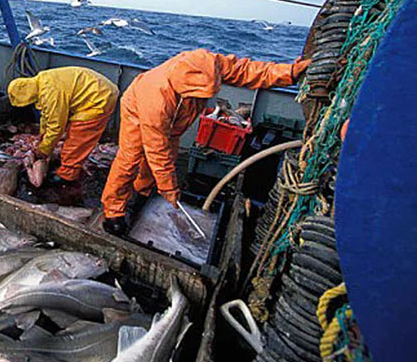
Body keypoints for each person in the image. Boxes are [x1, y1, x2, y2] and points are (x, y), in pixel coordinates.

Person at [100, 49, 311, 236]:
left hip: (176, 119)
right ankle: (113, 210)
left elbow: (247, 70)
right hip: (138, 110)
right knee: (131, 158)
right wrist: (169, 187)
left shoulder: (211, 64)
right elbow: (157, 149)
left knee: (168, 157)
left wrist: (289, 73)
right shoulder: (156, 99)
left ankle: (142, 192)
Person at [8, 66, 119, 185]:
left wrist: (43, 150)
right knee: (69, 134)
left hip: (99, 98)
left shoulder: (51, 93)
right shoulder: (41, 80)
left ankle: (67, 175)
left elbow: (56, 128)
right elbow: (47, 115)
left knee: (77, 139)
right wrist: (42, 135)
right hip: (95, 90)